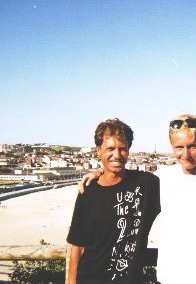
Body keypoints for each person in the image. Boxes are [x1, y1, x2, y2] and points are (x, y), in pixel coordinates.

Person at [79, 114, 196, 284]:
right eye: (179, 147)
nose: (186, 154)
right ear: (172, 147)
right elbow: (123, 179)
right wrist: (98, 172)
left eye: (192, 146)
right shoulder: (161, 180)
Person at [67, 118, 160, 284]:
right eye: (110, 148)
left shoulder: (147, 184)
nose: (117, 155)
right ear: (98, 150)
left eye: (122, 149)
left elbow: (184, 179)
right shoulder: (87, 191)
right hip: (89, 279)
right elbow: (77, 244)